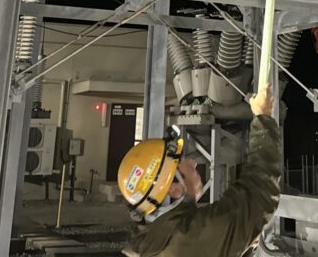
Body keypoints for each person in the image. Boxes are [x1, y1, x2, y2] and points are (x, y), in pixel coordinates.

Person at [117, 86, 280, 257]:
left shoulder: (151, 241)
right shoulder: (188, 238)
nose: (193, 163)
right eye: (181, 161)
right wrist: (264, 119)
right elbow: (258, 196)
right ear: (173, 188)